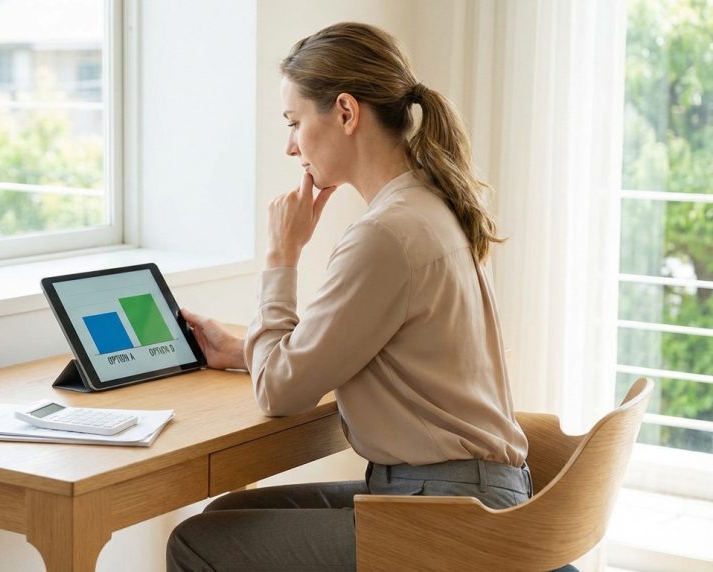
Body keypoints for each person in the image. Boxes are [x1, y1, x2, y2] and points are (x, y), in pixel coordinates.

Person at [165, 22, 531, 572]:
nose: (290, 146)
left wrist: (281, 255)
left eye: (294, 123)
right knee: (223, 519)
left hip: (448, 516)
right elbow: (356, 351)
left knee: (197, 544)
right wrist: (243, 350)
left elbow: (280, 393)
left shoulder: (385, 234)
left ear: (344, 112)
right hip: (470, 492)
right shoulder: (427, 205)